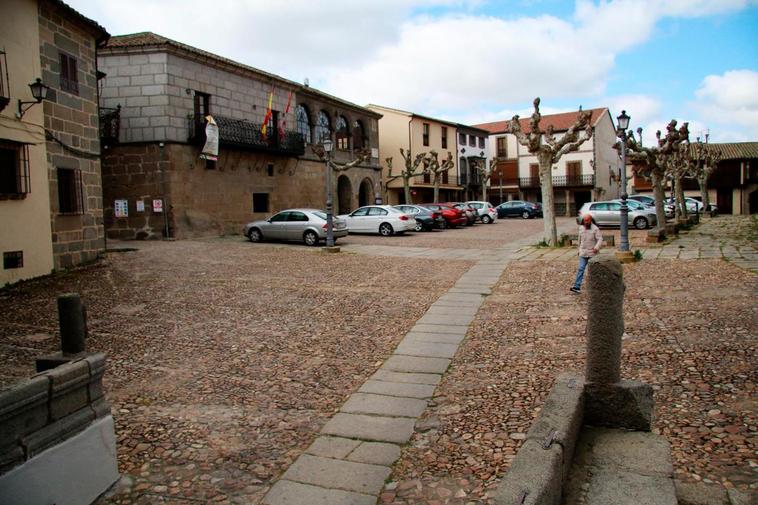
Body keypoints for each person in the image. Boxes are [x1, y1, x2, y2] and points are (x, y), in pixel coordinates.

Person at [570, 214, 603, 294]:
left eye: (587, 220)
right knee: (581, 268)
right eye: (585, 220)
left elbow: (600, 239)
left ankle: (597, 286)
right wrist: (579, 250)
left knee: (594, 270)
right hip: (583, 252)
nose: (586, 222)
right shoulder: (581, 228)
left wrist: (596, 248)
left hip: (592, 253)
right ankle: (577, 286)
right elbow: (579, 240)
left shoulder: (595, 229)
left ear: (590, 220)